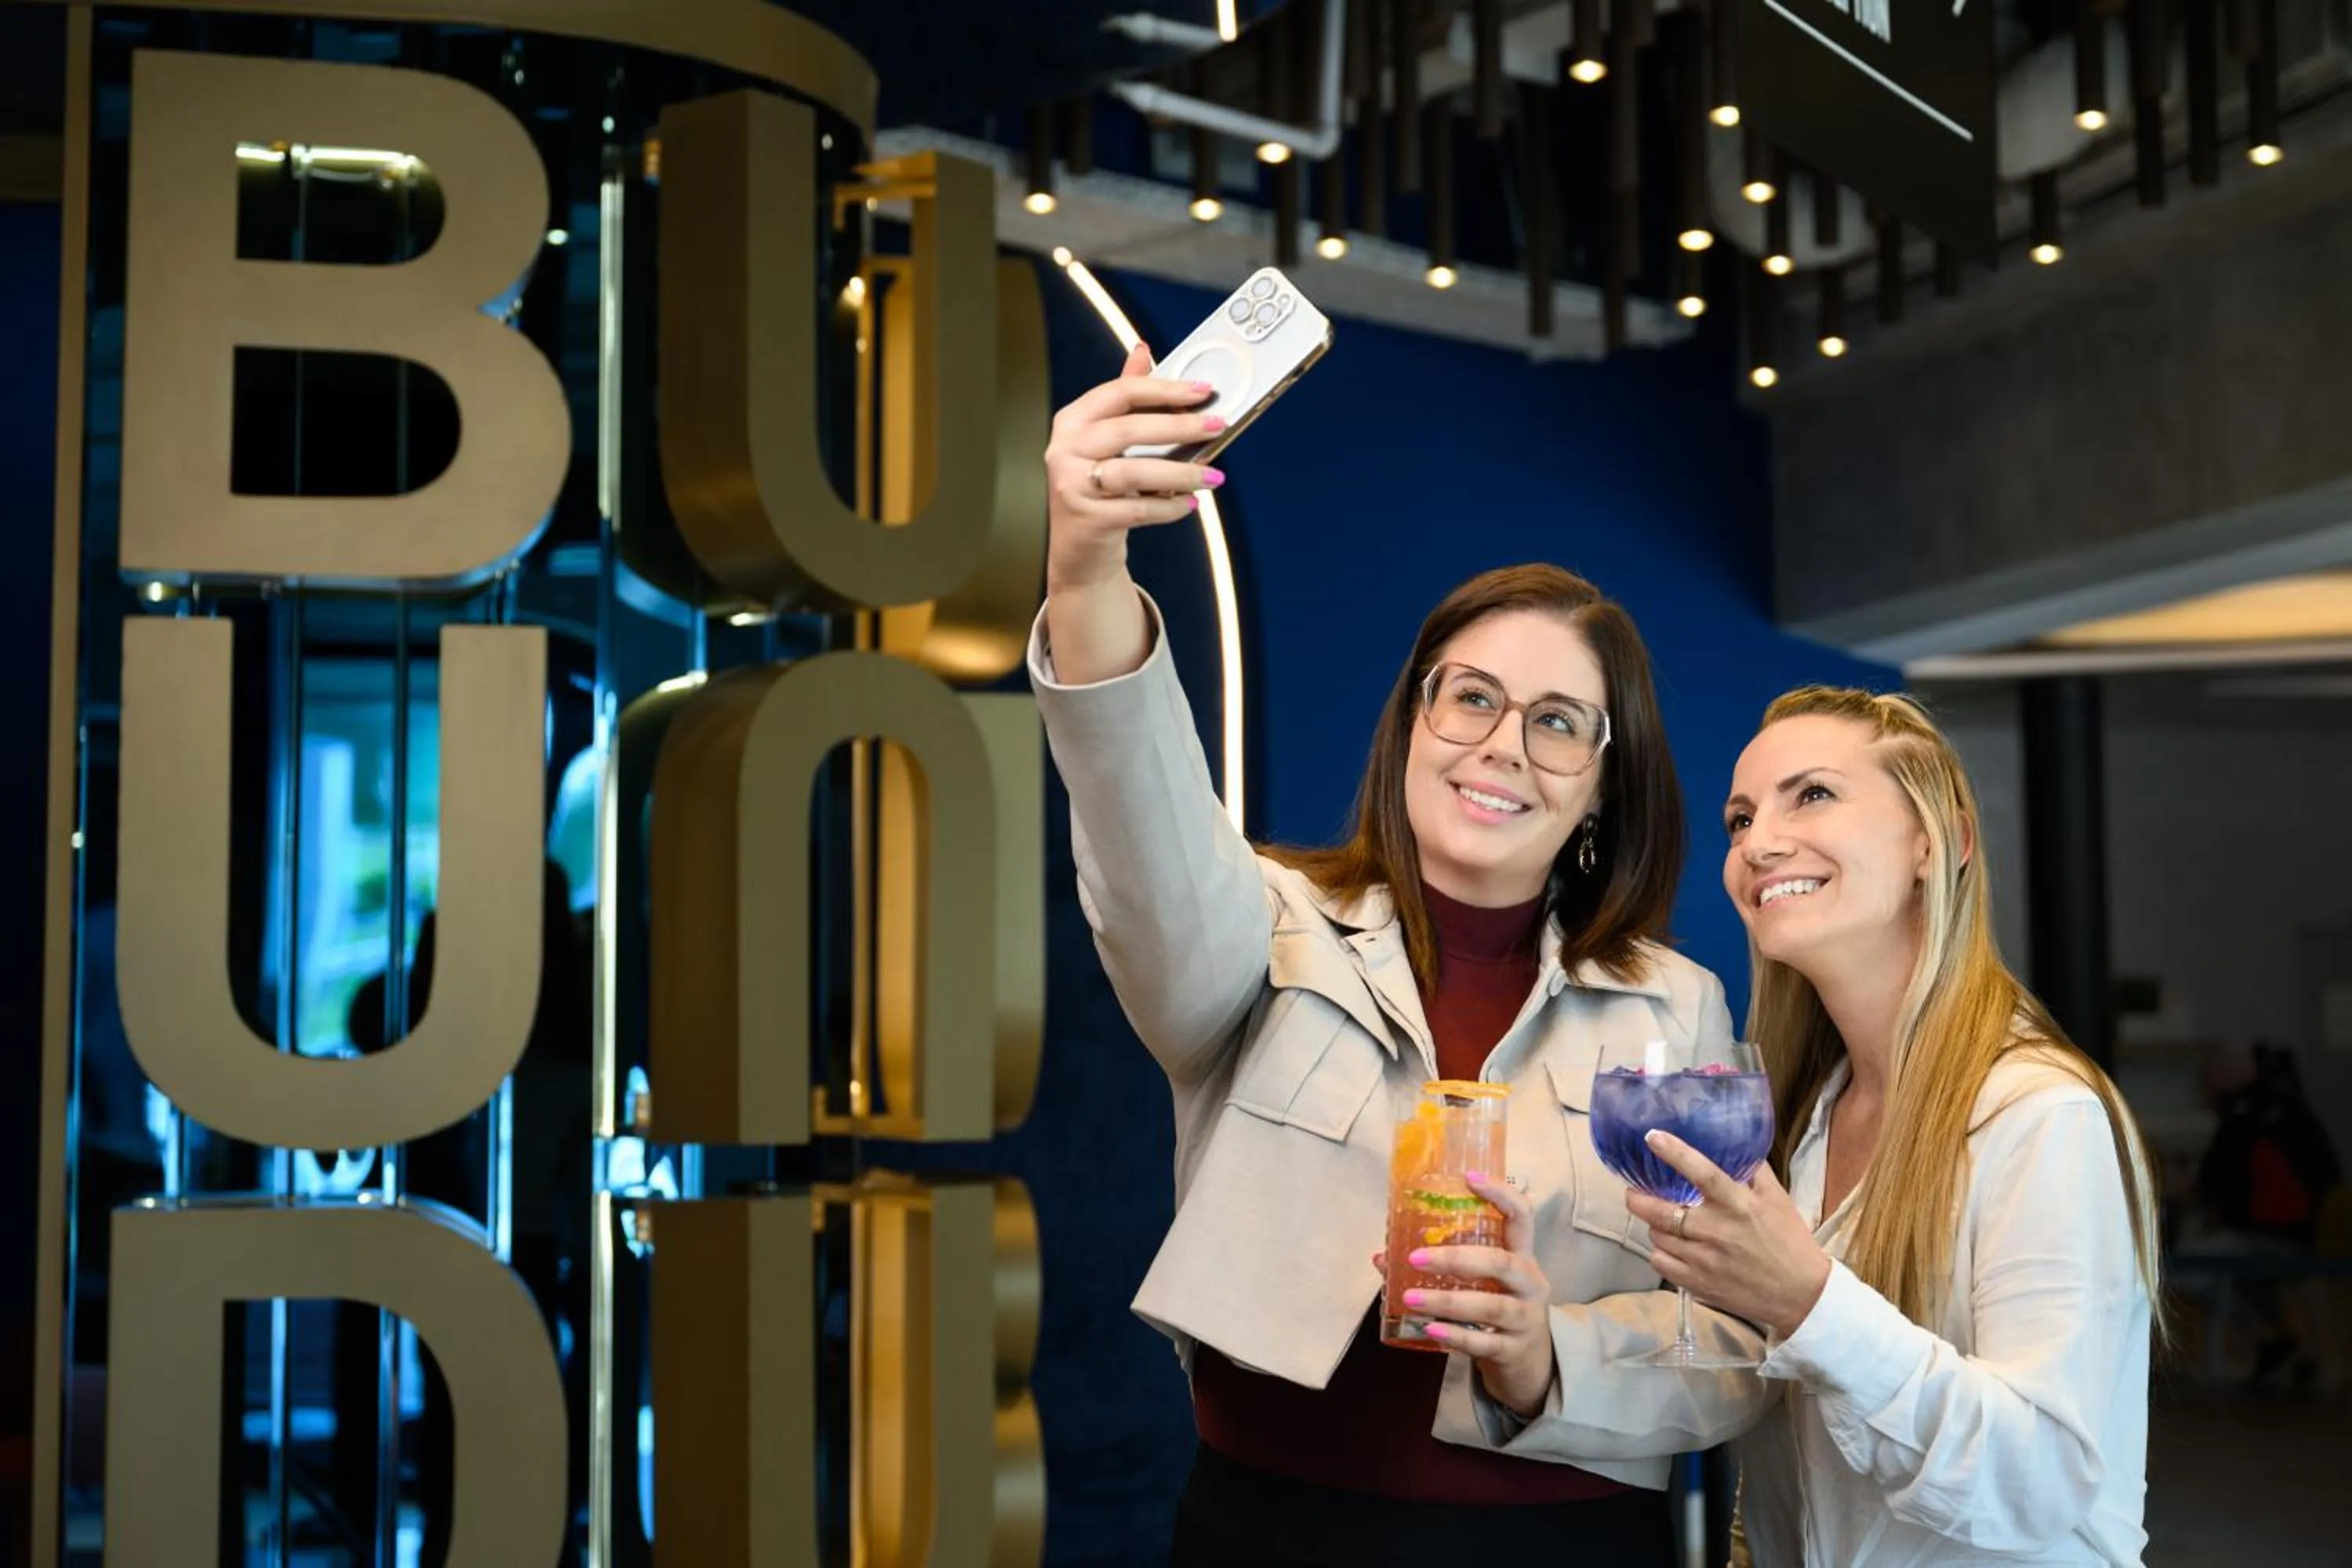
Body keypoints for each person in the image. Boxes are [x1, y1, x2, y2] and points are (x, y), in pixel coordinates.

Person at [1033, 345, 1770, 1566]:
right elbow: (1138, 805)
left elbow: (1734, 1344)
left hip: (1574, 1546)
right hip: (1273, 1534)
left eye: (1557, 723)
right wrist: (1086, 556)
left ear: (1602, 785)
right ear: (1415, 723)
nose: (1501, 745)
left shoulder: (1676, 1010)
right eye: (1468, 697)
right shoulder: (1264, 927)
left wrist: (1549, 1360)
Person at [1631, 686, 2165, 1565]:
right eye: (1739, 817)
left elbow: (2039, 1478)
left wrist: (1809, 1301)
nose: (1758, 842)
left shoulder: (2037, 1114)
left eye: (1812, 794)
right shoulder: (1799, 1122)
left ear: (1939, 841)